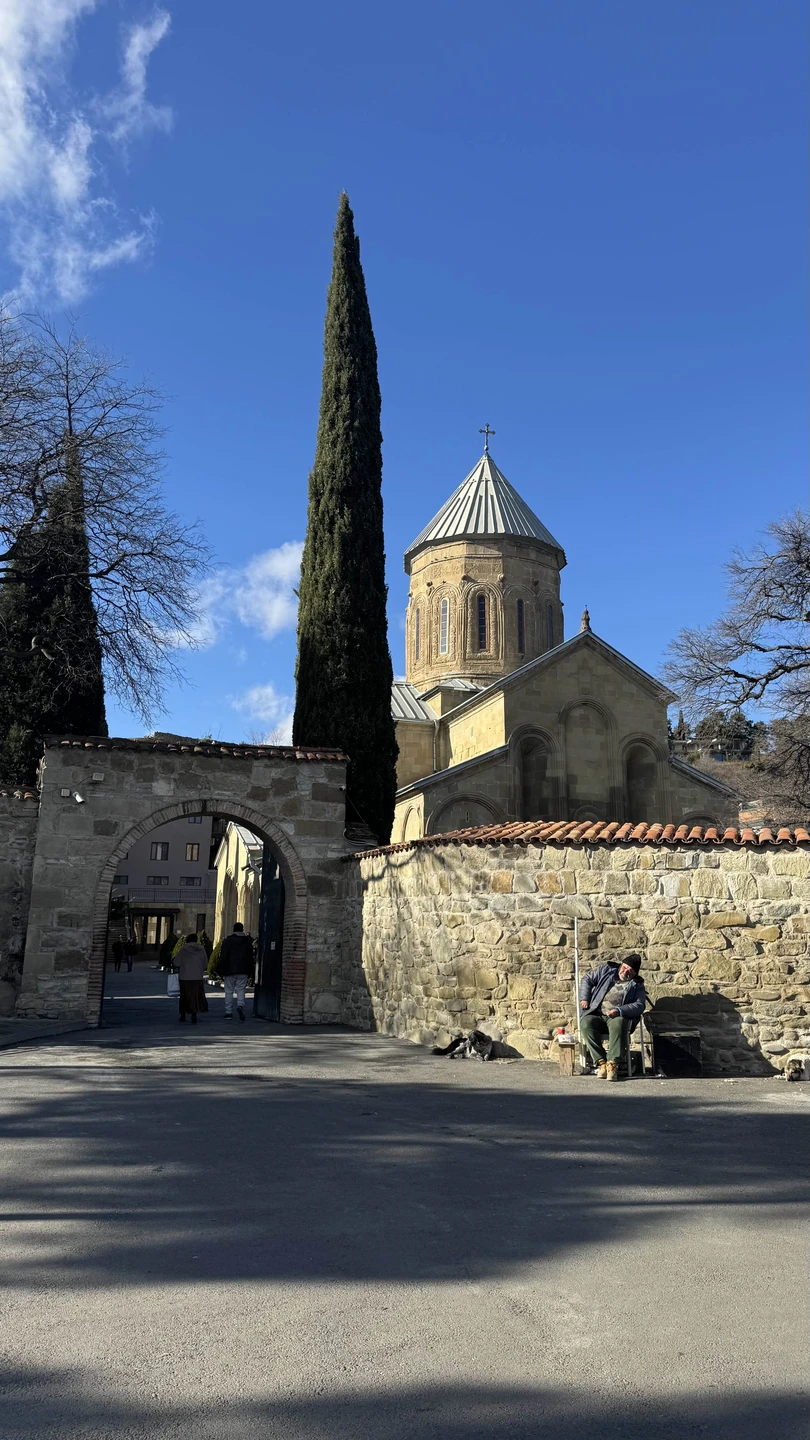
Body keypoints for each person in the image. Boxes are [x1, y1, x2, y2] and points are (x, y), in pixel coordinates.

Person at [579, 953, 646, 1081]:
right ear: (621, 965)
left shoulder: (637, 984)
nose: (625, 972)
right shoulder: (607, 971)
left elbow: (639, 1005)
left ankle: (612, 1064)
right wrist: (585, 998)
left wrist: (619, 1010)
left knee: (619, 1022)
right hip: (596, 1013)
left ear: (634, 974)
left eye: (630, 971)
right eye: (625, 967)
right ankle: (601, 1063)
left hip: (616, 1017)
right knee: (586, 1023)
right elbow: (587, 979)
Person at [218, 922, 254, 1022]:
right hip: (243, 969)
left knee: (229, 991)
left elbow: (223, 956)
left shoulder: (228, 941)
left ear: (233, 929)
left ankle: (228, 1012)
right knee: (241, 989)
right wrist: (250, 970)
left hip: (229, 970)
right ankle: (240, 1005)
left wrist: (221, 969)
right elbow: (250, 957)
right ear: (242, 929)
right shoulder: (248, 941)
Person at [173, 933, 209, 1025]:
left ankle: (183, 1015)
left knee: (184, 996)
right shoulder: (202, 949)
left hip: (185, 977)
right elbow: (205, 964)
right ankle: (194, 1014)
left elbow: (176, 962)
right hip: (197, 977)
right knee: (195, 996)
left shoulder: (184, 949)